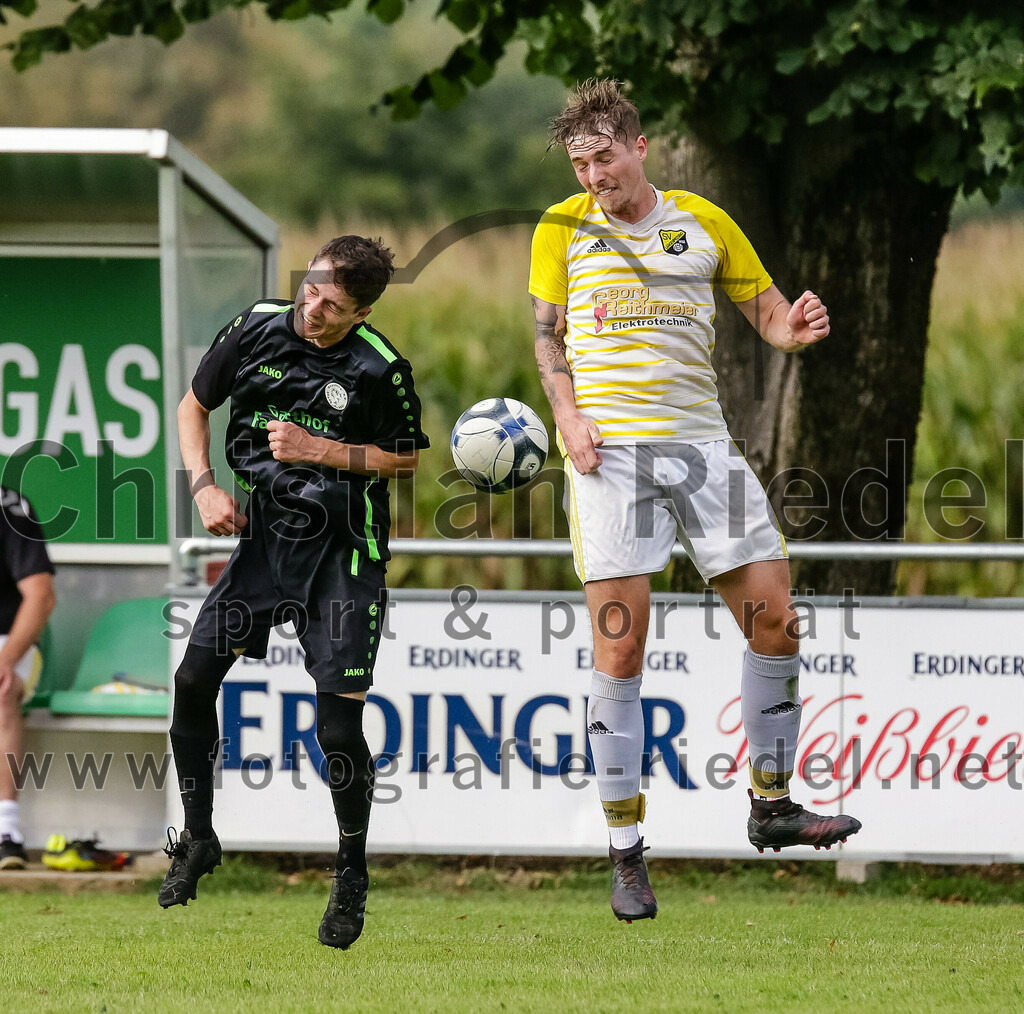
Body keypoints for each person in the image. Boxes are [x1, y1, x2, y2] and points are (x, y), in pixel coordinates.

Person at [529, 80, 861, 922]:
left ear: (640, 148)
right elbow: (546, 334)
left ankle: (773, 804)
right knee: (622, 653)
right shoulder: (559, 227)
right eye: (580, 162)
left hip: (704, 450)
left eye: (604, 156)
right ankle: (626, 852)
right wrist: (566, 415)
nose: (594, 174)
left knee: (777, 622)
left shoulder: (704, 222)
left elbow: (770, 317)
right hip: (610, 463)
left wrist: (799, 329)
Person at [160, 235, 429, 949]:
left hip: (343, 551)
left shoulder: (379, 366)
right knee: (191, 681)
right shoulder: (255, 325)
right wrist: (205, 486)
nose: (313, 308)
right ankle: (199, 837)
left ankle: (350, 873)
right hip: (263, 538)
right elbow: (193, 408)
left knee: (337, 730)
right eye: (310, 289)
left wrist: (321, 451)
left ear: (362, 310)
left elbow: (404, 458)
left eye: (333, 305)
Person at [0, 487, 56, 870]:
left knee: (1, 690)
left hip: (9, 643)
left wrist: (5, 660)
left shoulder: (8, 505)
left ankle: (7, 831)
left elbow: (41, 596)